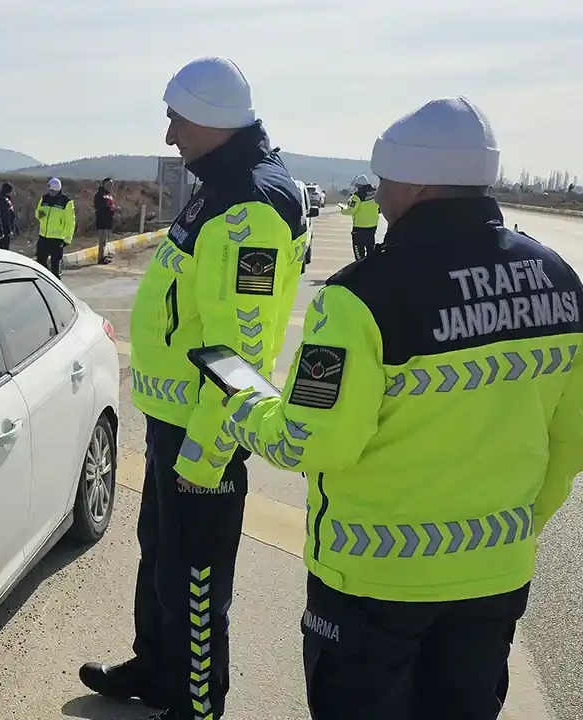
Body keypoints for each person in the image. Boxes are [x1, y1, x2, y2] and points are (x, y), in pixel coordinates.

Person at [197, 97, 583, 719]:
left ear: (417, 180)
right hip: (494, 576)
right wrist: (514, 530)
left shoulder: (361, 297)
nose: (380, 191)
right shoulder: (560, 282)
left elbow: (313, 442)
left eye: (386, 177)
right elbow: (570, 441)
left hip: (372, 586)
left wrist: (243, 404)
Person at [79, 56, 306, 720]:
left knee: (198, 582)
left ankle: (197, 704)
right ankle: (156, 668)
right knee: (162, 559)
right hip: (173, 419)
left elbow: (239, 353)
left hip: (203, 433)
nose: (171, 133)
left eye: (177, 117)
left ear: (210, 119)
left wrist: (205, 460)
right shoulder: (223, 184)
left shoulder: (250, 206)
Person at [35, 177, 75, 277]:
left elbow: (70, 222)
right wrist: (40, 214)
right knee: (40, 262)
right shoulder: (44, 199)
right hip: (43, 236)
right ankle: (45, 279)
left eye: (52, 191)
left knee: (55, 265)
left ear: (58, 190)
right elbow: (37, 213)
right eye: (49, 190)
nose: (50, 192)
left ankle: (56, 281)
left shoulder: (66, 202)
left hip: (57, 239)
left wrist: (68, 239)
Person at [342, 174, 381, 259]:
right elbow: (380, 208)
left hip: (359, 228)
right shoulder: (376, 193)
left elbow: (351, 210)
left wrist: (343, 210)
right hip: (372, 227)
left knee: (359, 252)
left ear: (359, 185)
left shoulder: (357, 196)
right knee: (371, 250)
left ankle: (360, 268)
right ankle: (371, 268)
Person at [94, 177, 118, 265]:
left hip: (109, 220)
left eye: (111, 185)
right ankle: (100, 258)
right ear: (103, 184)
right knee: (102, 240)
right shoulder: (99, 194)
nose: (110, 186)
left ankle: (104, 255)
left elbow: (111, 205)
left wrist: (114, 209)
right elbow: (98, 206)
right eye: (108, 184)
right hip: (101, 220)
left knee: (105, 240)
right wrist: (110, 209)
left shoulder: (109, 195)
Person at [0, 182, 19, 250]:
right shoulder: (2, 199)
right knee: (4, 247)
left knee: (6, 246)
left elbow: (11, 214)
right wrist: (9, 230)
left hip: (9, 226)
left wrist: (15, 227)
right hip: (4, 228)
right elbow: (4, 216)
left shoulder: (7, 199)